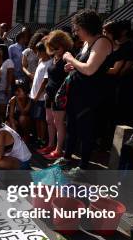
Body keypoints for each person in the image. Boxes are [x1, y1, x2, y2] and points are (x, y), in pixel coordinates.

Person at [58, 9, 114, 170]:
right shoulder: (87, 43)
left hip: (91, 97)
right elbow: (82, 66)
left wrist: (70, 58)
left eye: (77, 29)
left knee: (86, 132)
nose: (76, 33)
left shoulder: (102, 42)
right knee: (72, 128)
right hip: (78, 94)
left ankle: (83, 167)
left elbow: (90, 69)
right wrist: (72, 66)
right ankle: (67, 158)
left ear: (86, 27)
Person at [40, 30, 73, 160]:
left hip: (60, 95)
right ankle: (50, 145)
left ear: (63, 44)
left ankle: (58, 149)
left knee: (58, 122)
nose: (54, 50)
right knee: (49, 121)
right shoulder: (54, 56)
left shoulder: (67, 56)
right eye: (52, 47)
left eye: (56, 47)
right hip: (49, 93)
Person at [30, 41, 52, 150]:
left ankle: (43, 139)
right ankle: (38, 138)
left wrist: (37, 96)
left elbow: (45, 81)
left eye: (39, 52)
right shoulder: (40, 61)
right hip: (34, 95)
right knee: (36, 119)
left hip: (41, 97)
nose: (37, 54)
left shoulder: (50, 63)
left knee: (42, 119)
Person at [0, 44, 15, 116]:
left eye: (0, 50)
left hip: (4, 89)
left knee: (3, 111)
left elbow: (10, 75)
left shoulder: (9, 61)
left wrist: (7, 88)